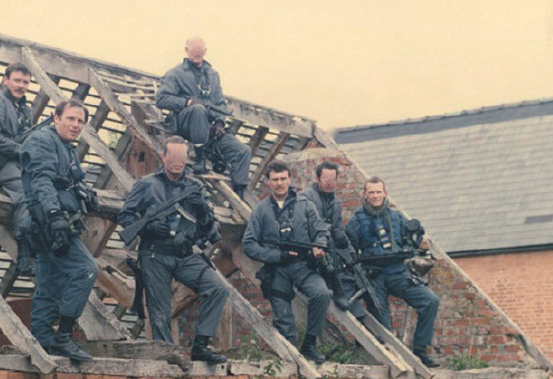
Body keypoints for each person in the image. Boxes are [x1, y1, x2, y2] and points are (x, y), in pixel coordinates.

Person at [118, 136, 228, 365]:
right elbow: (125, 216)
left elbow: (209, 229)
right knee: (159, 310)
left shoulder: (195, 187)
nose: (178, 162)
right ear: (164, 156)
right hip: (155, 253)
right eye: (174, 156)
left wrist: (204, 213)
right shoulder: (147, 184)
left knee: (218, 288)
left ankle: (200, 345)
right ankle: (167, 356)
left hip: (185, 253)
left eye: (183, 157)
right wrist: (147, 228)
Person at [20, 99, 100, 362]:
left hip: (62, 222)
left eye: (80, 121)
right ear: (56, 118)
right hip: (48, 222)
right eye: (71, 119)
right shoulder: (42, 141)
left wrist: (86, 193)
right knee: (86, 268)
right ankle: (64, 336)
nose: (76, 125)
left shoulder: (68, 148)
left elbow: (71, 179)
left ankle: (42, 341)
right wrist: (54, 215)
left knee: (49, 283)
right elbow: (41, 180)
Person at [242, 161, 331, 364]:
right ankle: (291, 359)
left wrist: (319, 247)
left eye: (283, 179)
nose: (280, 183)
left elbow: (321, 232)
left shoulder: (305, 205)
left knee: (322, 294)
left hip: (303, 266)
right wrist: (276, 256)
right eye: (275, 179)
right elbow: (249, 245)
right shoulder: (261, 211)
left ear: (290, 180)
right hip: (277, 270)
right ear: (268, 183)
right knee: (283, 318)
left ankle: (309, 344)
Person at [345, 176, 440, 367]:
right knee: (384, 327)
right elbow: (348, 252)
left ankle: (420, 350)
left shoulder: (397, 217)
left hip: (398, 272)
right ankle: (389, 361)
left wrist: (421, 245)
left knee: (430, 301)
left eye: (378, 192)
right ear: (365, 194)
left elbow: (412, 242)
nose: (375, 196)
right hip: (374, 276)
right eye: (371, 192)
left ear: (385, 193)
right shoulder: (356, 221)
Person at [156, 37, 251, 199]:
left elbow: (220, 103)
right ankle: (201, 156)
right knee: (198, 109)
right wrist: (187, 102)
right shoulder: (176, 73)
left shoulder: (213, 75)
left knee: (243, 151)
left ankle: (239, 192)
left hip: (208, 128)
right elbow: (161, 99)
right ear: (186, 51)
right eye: (194, 53)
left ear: (205, 52)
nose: (197, 56)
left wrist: (220, 123)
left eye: (200, 53)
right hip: (185, 124)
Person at [0, 62, 36, 277]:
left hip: (19, 163)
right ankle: (24, 255)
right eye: (17, 80)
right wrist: (18, 148)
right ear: (6, 80)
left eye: (26, 82)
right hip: (1, 164)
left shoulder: (25, 110)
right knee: (26, 194)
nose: (21, 86)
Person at [300, 162, 366, 321]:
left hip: (328, 249)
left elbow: (338, 229)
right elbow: (304, 225)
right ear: (317, 178)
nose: (329, 183)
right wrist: (328, 231)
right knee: (330, 253)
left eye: (333, 179)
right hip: (309, 248)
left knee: (350, 264)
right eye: (325, 179)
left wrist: (350, 252)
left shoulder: (336, 202)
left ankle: (360, 316)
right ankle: (340, 292)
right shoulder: (305, 197)